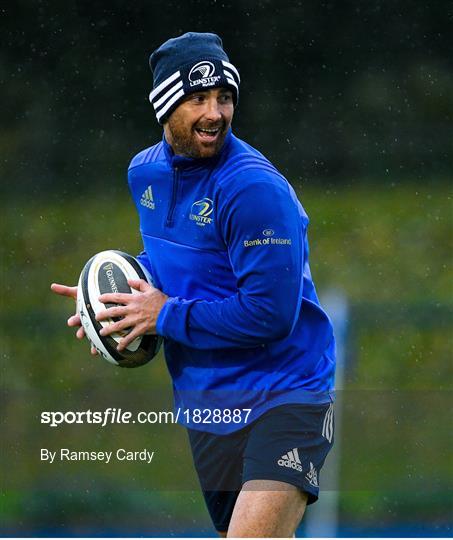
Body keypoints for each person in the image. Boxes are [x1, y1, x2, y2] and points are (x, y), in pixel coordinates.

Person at [51, 32, 336, 538]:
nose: (215, 113)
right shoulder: (144, 173)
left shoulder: (253, 189)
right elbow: (170, 263)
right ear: (164, 106)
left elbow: (270, 315)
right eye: (197, 98)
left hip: (286, 393)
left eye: (224, 98)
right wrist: (116, 301)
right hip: (206, 401)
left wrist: (162, 315)